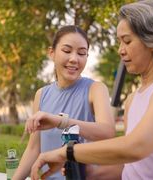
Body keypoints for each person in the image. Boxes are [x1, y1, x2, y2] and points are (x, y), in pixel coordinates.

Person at [30, 1, 153, 180]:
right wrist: (89, 174)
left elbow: (135, 147)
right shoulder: (132, 100)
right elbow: (131, 164)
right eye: (119, 42)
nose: (120, 50)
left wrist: (67, 153)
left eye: (127, 41)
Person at [12, 25, 116, 180]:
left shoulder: (96, 89)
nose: (74, 59)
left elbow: (107, 132)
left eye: (82, 53)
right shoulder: (41, 94)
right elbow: (34, 148)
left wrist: (61, 121)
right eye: (67, 51)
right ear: (52, 53)